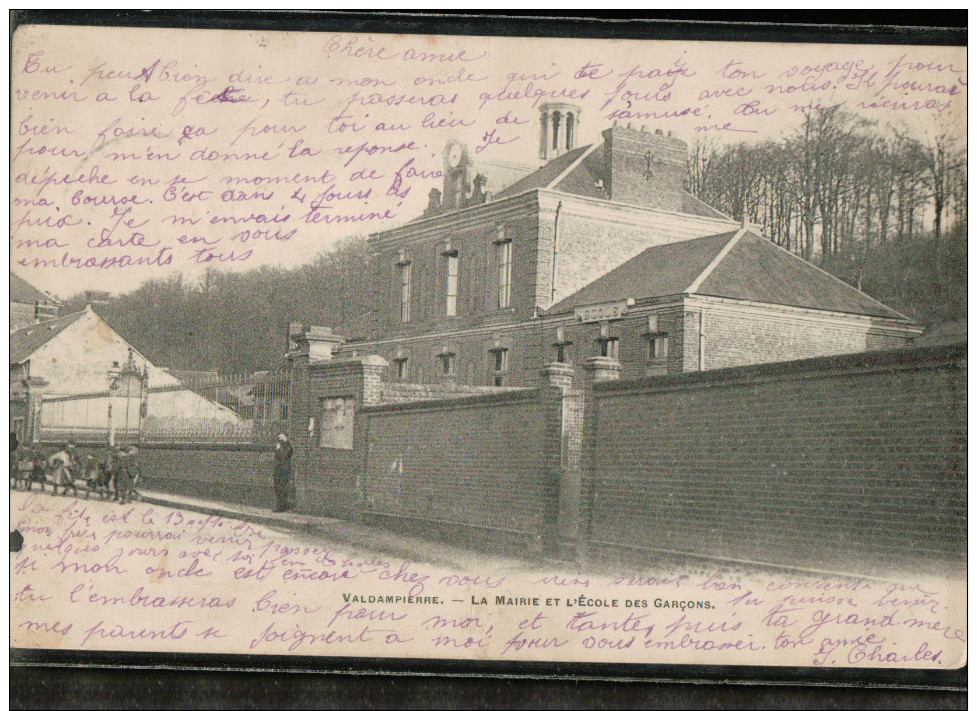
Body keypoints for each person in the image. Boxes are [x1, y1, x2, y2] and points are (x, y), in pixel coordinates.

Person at [272, 432, 293, 512]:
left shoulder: (288, 446)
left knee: (281, 488)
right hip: (278, 469)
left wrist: (278, 449)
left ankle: (281, 507)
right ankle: (280, 506)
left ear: (285, 437)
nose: (280, 439)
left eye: (281, 437)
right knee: (278, 488)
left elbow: (283, 456)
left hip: (284, 470)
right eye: (279, 437)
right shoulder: (282, 445)